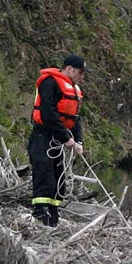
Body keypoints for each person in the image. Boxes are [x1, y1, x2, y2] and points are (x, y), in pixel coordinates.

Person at [29, 54, 85, 226]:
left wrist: (78, 141)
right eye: (80, 73)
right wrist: (66, 137)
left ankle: (53, 218)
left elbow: (74, 119)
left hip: (57, 142)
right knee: (44, 178)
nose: (82, 77)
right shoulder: (50, 83)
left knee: (58, 182)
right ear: (69, 69)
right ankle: (40, 216)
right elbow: (48, 114)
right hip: (42, 138)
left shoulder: (73, 90)